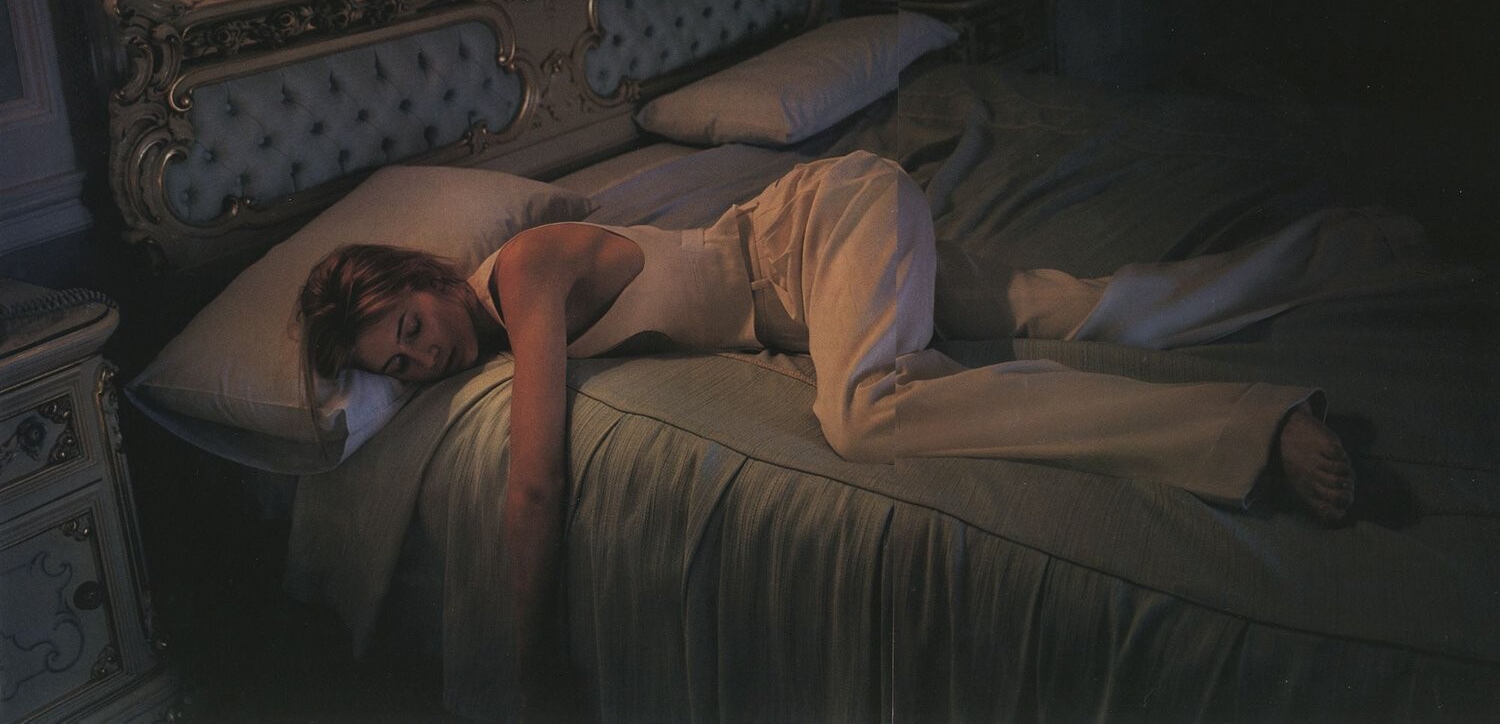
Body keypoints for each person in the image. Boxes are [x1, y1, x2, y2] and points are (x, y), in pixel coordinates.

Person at [302, 150, 1393, 711]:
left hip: (822, 224)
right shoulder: (490, 325)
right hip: (825, 276)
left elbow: (535, 477)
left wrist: (529, 653)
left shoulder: (523, 273)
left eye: (410, 326)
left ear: (425, 276)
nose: (422, 359)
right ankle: (1348, 253)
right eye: (396, 365)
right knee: (1078, 309)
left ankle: (1255, 427)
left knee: (866, 412)